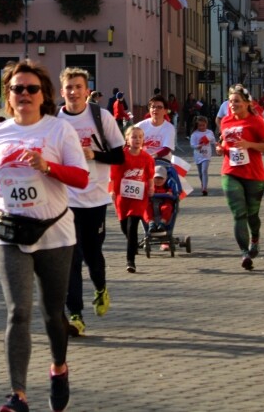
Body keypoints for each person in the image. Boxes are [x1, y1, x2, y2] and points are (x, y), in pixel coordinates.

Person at [0, 60, 89, 412]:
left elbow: (81, 179)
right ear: (8, 95)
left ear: (43, 95)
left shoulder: (58, 131)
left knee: (53, 314)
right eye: (17, 89)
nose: (24, 94)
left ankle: (59, 368)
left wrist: (48, 166)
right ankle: (17, 395)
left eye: (31, 89)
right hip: (8, 229)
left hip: (54, 231)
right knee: (18, 311)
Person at [57, 67, 125, 338]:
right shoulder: (55, 121)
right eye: (68, 88)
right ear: (62, 92)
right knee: (71, 258)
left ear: (87, 91)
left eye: (78, 87)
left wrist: (93, 154)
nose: (73, 92)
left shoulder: (101, 116)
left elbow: (119, 157)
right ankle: (75, 314)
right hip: (66, 199)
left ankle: (100, 287)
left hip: (95, 197)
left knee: (93, 257)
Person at [215, 85, 264, 271]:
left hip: (254, 175)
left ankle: (255, 239)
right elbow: (224, 141)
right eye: (231, 101)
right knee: (238, 213)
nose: (233, 105)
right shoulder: (225, 121)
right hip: (230, 172)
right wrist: (221, 149)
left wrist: (249, 144)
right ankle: (244, 252)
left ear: (247, 103)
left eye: (237, 102)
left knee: (252, 215)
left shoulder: (256, 122)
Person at [109, 125, 154, 273]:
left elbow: (149, 175)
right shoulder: (121, 156)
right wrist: (111, 191)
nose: (137, 140)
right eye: (134, 137)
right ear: (127, 139)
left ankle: (130, 261)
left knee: (132, 225)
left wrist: (151, 187)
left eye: (140, 137)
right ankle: (133, 243)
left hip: (138, 196)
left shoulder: (146, 157)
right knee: (124, 226)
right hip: (122, 196)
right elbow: (113, 175)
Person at [136, 94, 176, 160]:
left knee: (159, 170)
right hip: (142, 160)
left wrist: (152, 156)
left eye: (159, 107)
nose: (155, 109)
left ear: (165, 111)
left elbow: (166, 149)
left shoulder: (169, 128)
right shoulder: (139, 126)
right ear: (149, 109)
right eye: (153, 107)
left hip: (161, 161)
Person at [189, 115, 215, 196]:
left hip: (206, 155)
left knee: (204, 170)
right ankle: (202, 183)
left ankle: (205, 188)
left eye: (203, 125)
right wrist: (197, 146)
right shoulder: (195, 134)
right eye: (200, 125)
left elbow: (213, 141)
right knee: (200, 173)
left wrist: (217, 145)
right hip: (198, 155)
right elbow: (192, 145)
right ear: (197, 125)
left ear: (206, 124)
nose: (202, 127)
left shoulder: (209, 132)